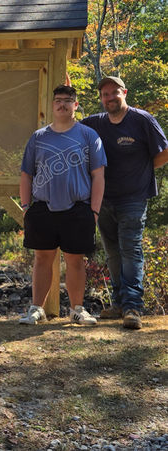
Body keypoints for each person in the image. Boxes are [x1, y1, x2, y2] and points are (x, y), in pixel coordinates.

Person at [82, 76, 168, 329]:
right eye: (105, 95)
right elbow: (71, 125)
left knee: (130, 249)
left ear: (124, 93)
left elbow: (164, 151)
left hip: (134, 197)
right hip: (103, 198)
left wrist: (144, 170)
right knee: (113, 252)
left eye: (114, 93)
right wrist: (68, 92)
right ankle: (119, 303)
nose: (109, 98)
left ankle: (132, 307)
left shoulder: (142, 120)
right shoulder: (96, 123)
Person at [19, 85, 106, 326]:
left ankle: (77, 310)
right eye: (58, 100)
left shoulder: (89, 136)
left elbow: (98, 176)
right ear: (52, 104)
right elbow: (26, 175)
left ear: (76, 105)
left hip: (78, 208)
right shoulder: (38, 137)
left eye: (68, 100)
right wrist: (26, 207)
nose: (62, 104)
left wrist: (95, 211)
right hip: (43, 208)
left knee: (75, 260)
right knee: (42, 259)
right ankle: (37, 309)